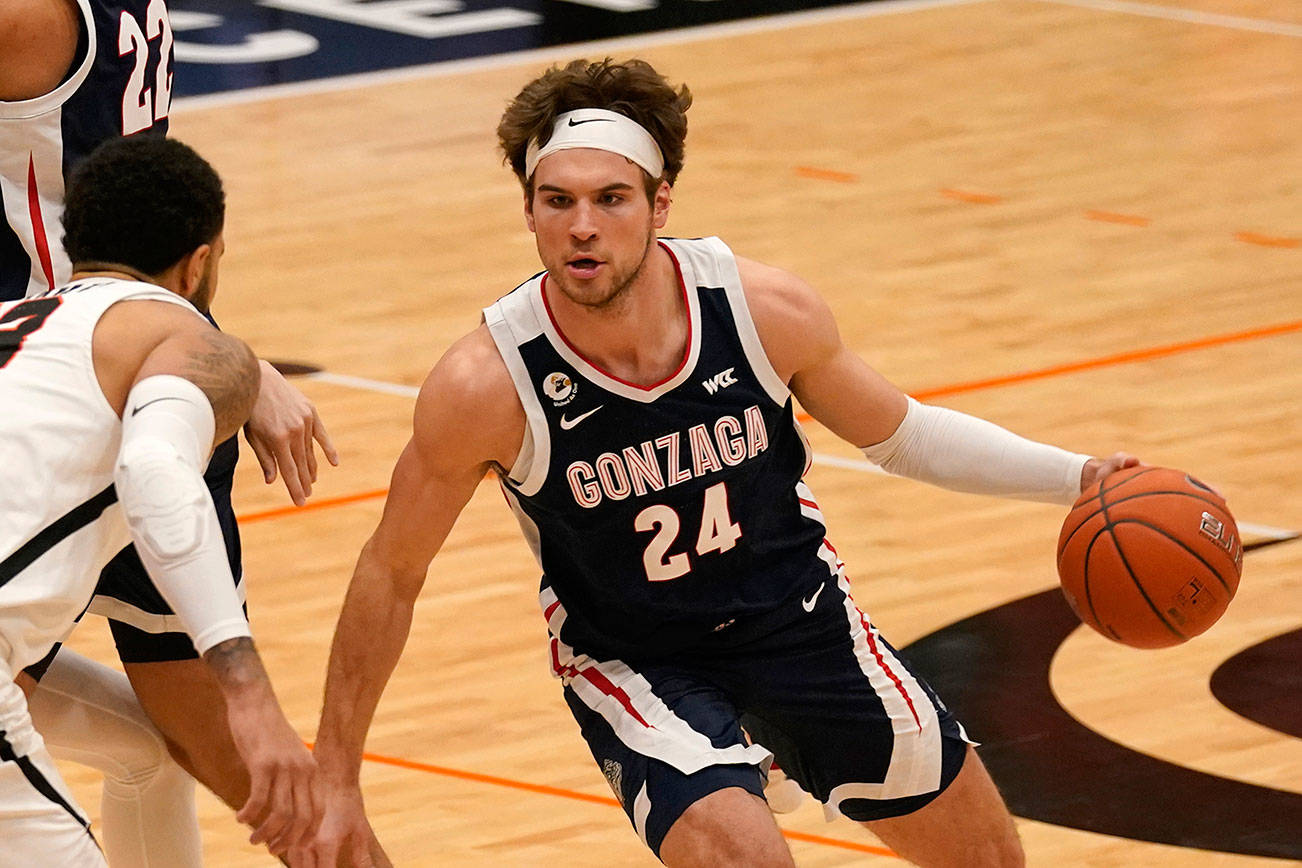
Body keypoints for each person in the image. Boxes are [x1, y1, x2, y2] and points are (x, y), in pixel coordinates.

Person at [308, 58, 1139, 867]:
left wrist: (1076, 477)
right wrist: (336, 776)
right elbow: (392, 570)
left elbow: (903, 434)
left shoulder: (761, 309)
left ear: (660, 202)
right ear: (529, 213)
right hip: (636, 658)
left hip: (801, 618)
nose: (582, 226)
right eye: (556, 202)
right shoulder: (485, 384)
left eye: (610, 199)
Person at [0, 2, 336, 862]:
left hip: (57, 389)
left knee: (235, 768)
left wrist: (218, 361)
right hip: (114, 368)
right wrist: (215, 355)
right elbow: (152, 228)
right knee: (206, 761)